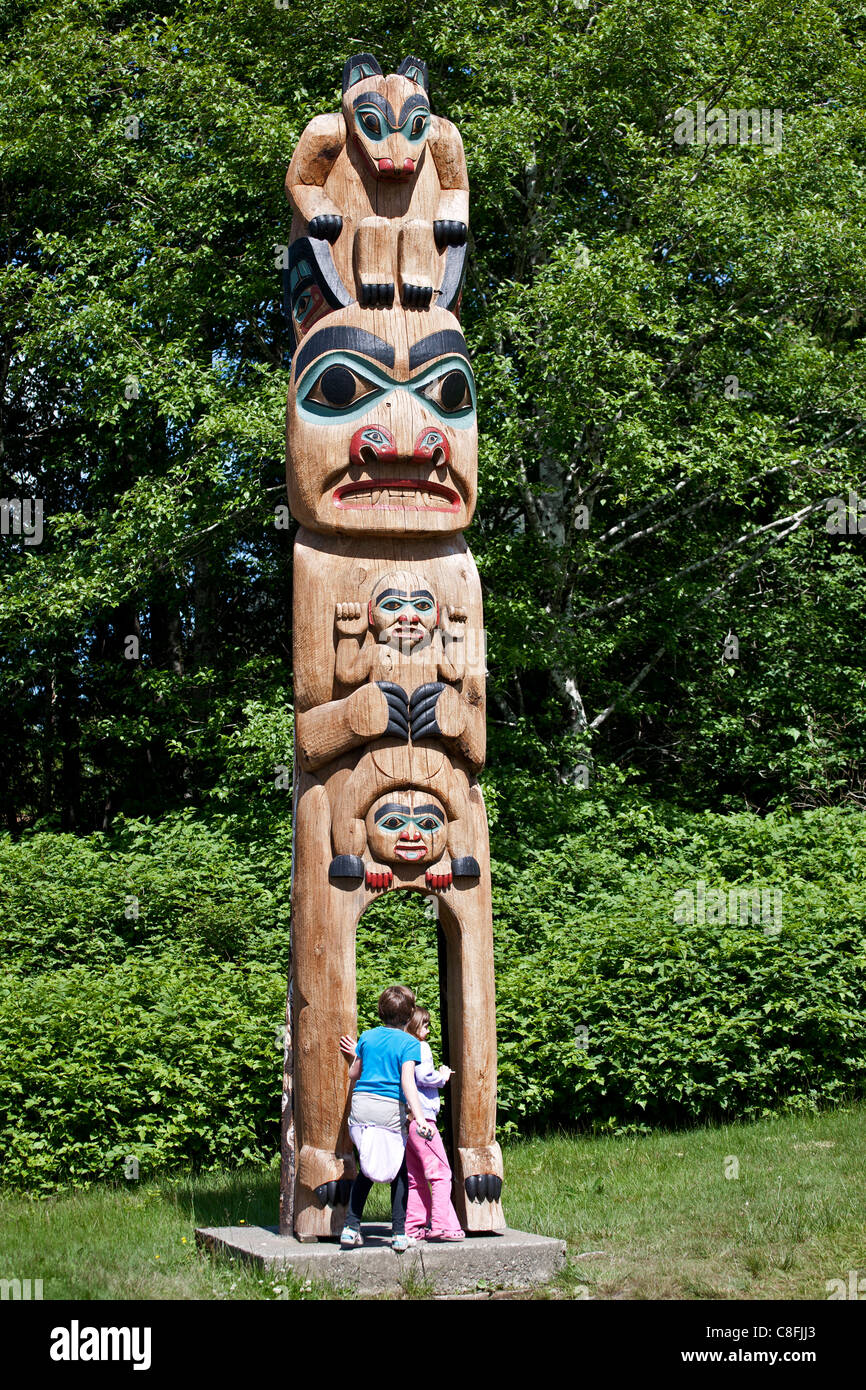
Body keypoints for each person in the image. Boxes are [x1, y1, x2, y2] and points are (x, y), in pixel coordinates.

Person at [338, 984, 433, 1251]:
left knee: (367, 1167)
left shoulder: (367, 1037)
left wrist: (355, 1054)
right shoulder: (410, 1043)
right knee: (400, 1172)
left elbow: (353, 1074)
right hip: (389, 1111)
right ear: (410, 1014)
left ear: (381, 1011)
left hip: (361, 1109)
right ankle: (399, 1233)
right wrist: (421, 1118)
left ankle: (350, 1227)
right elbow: (408, 1083)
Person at [404, 1005, 464, 1241]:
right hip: (424, 1120)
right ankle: (441, 1225)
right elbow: (424, 1076)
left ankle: (414, 1225)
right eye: (425, 1025)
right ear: (416, 1026)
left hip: (407, 1122)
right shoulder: (420, 1047)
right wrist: (443, 1076)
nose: (428, 1030)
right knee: (441, 1173)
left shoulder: (400, 1046)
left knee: (416, 1176)